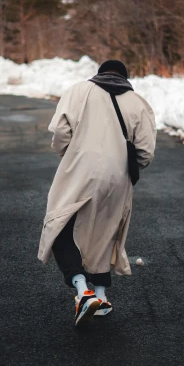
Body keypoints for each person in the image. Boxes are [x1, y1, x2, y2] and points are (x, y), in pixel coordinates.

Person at [38, 59, 157, 327]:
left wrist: (69, 153)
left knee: (61, 224)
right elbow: (145, 152)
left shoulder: (79, 91)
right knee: (105, 231)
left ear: (99, 73)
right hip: (118, 176)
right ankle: (101, 298)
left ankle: (83, 291)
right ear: (125, 78)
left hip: (79, 168)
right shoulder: (138, 103)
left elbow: (59, 131)